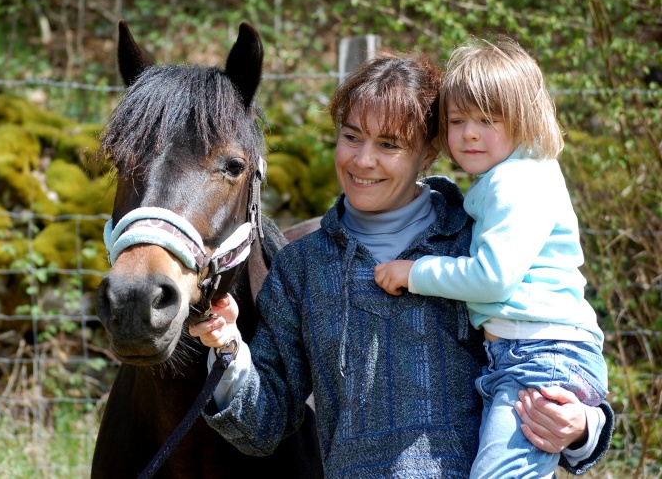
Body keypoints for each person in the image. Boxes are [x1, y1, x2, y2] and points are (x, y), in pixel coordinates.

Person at [190, 51, 613, 477]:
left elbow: (551, 349)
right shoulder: (302, 268)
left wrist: (582, 427)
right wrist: (227, 349)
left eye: (389, 145)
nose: (362, 160)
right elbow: (262, 426)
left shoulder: (478, 242)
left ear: (429, 153)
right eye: (351, 137)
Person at [373, 37, 608, 477]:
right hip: (529, 350)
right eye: (457, 120)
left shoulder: (513, 183)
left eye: (487, 119)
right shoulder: (514, 176)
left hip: (540, 352)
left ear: (523, 119)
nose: (469, 134)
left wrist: (415, 271)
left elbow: (492, 278)